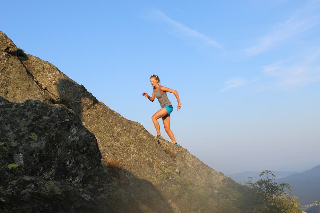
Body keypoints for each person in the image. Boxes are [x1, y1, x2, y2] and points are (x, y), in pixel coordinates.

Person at [142, 74, 181, 145]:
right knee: (167, 128)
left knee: (154, 117)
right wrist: (147, 96)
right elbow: (152, 99)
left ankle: (159, 135)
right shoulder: (154, 90)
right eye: (150, 81)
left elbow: (174, 91)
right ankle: (175, 143)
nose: (152, 83)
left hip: (168, 107)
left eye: (153, 81)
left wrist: (179, 104)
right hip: (164, 108)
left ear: (157, 81)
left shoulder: (161, 88)